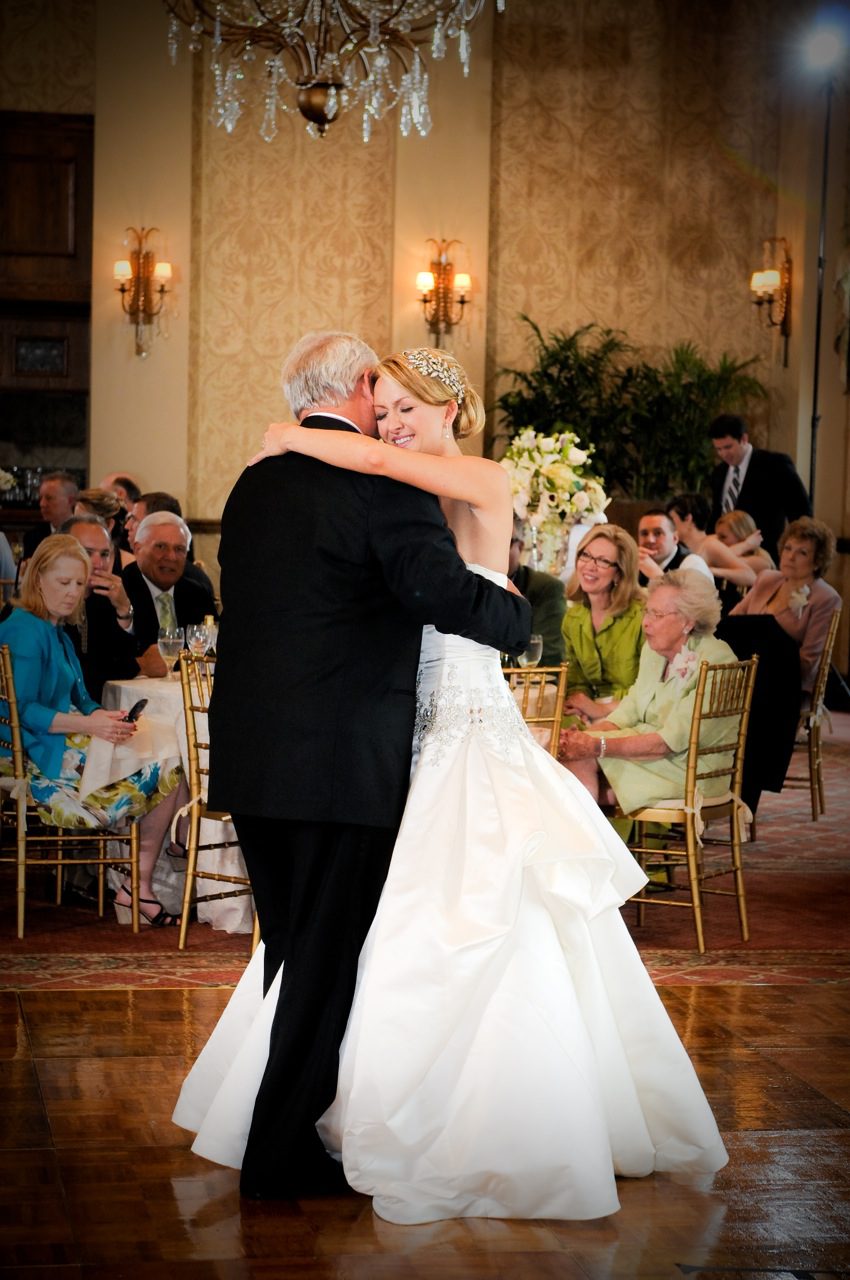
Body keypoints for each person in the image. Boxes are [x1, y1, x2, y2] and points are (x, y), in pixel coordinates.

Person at [173, 343, 727, 1223]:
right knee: (338, 940)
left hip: (430, 728)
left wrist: (290, 432)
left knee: (395, 927)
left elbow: (378, 473)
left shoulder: (431, 477)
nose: (392, 423)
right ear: (360, 395)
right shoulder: (385, 486)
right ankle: (306, 1125)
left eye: (407, 406)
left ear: (450, 409)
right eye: (384, 405)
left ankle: (422, 1123)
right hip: (382, 741)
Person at [0, 535, 187, 926]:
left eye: (79, 584)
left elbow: (82, 698)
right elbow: (23, 710)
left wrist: (107, 718)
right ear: (38, 580)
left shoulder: (56, 631)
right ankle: (146, 878)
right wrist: (91, 724)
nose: (73, 593)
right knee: (168, 763)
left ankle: (141, 881)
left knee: (166, 747)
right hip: (34, 755)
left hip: (59, 741)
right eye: (63, 582)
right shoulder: (25, 629)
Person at [559, 571, 738, 813]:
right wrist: (582, 738)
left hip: (690, 769)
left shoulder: (716, 659)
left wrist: (595, 745)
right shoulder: (654, 651)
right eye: (647, 612)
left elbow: (669, 742)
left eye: (657, 615)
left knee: (577, 765)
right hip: (653, 759)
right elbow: (629, 710)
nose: (645, 622)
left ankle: (585, 835)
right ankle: (590, 834)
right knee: (571, 757)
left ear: (688, 622)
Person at [718, 517, 841, 812]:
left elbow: (810, 659)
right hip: (745, 675)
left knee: (756, 710)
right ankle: (710, 789)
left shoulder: (825, 597)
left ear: (817, 561)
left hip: (785, 686)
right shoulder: (767, 580)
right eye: (788, 549)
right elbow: (733, 623)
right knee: (708, 702)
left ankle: (745, 799)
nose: (791, 557)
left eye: (802, 552)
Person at [560, 524, 646, 720]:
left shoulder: (642, 617)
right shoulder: (573, 618)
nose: (590, 566)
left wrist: (600, 710)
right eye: (586, 556)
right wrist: (580, 707)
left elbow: (651, 687)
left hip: (635, 712)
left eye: (603, 561)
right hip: (589, 712)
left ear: (619, 573)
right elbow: (576, 682)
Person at [122, 512, 217, 676]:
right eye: (161, 547)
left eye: (179, 549)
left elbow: (214, 649)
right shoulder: (124, 590)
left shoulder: (197, 593)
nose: (171, 557)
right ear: (137, 549)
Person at [708, 413, 810, 563]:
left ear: (744, 439)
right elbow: (717, 514)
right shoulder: (719, 472)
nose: (724, 454)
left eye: (728, 447)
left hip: (763, 555)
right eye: (719, 449)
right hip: (725, 556)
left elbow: (801, 513)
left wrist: (793, 552)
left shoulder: (775, 465)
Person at [60, 515, 139, 701]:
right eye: (87, 552)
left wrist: (123, 609)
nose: (98, 564)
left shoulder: (107, 599)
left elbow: (127, 668)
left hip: (96, 707)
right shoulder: (42, 603)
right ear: (59, 552)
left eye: (104, 554)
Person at [666, 493, 756, 592]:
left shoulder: (710, 544)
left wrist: (712, 571)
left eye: (671, 519)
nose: (668, 525)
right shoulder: (677, 546)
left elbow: (750, 576)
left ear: (688, 518)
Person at [508, 518, 565, 665]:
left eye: (505, 543)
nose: (495, 550)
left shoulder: (545, 588)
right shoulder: (470, 584)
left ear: (520, 547)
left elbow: (548, 655)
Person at [636, 508, 713, 586]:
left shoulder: (693, 564)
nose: (650, 540)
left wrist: (656, 575)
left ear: (675, 538)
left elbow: (692, 594)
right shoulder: (636, 564)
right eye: (644, 534)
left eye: (658, 533)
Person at [21, 471, 78, 560]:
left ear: (70, 501)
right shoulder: (32, 537)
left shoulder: (83, 534)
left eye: (49, 498)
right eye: (40, 498)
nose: (42, 504)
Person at [74, 487, 134, 571]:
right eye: (75, 520)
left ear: (109, 525)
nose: (76, 526)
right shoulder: (64, 559)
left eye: (85, 521)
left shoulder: (129, 565)